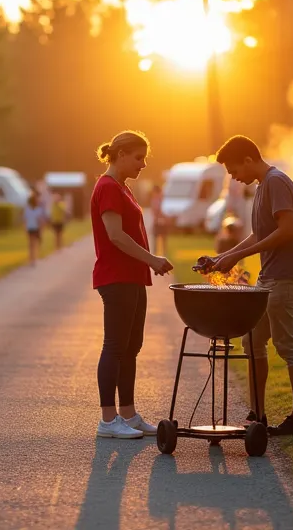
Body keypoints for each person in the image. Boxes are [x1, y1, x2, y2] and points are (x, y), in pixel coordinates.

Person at [200, 136, 293, 436]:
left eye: (234, 170)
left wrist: (237, 256)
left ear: (249, 160)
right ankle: (257, 412)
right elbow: (259, 234)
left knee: (288, 346)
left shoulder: (276, 182)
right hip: (268, 276)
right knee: (252, 342)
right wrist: (224, 257)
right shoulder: (263, 186)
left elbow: (287, 231)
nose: (234, 177)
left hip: (285, 276)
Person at [91, 130, 173, 439]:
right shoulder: (108, 187)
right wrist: (152, 259)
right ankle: (108, 420)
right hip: (117, 277)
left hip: (132, 277)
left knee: (131, 347)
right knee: (115, 346)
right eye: (139, 158)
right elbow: (115, 235)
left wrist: (147, 265)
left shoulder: (123, 188)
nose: (143, 164)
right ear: (121, 154)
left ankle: (128, 414)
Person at [23, 192, 45, 267]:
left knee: (32, 244)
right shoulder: (37, 209)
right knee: (33, 244)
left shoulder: (28, 209)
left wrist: (25, 228)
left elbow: (25, 219)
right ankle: (33, 259)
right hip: (34, 228)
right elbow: (40, 220)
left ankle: (32, 258)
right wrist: (41, 228)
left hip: (32, 227)